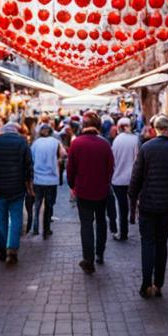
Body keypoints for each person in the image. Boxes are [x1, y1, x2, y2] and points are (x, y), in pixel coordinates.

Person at [129, 114, 168, 298]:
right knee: (162, 242)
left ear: (155, 129)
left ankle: (146, 283)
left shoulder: (147, 148)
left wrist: (133, 195)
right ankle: (159, 283)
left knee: (147, 242)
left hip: (148, 203)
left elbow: (137, 175)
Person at [67, 112, 114, 274]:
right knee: (101, 221)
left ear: (84, 126)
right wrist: (105, 183)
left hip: (83, 191)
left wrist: (73, 186)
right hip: (101, 190)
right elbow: (110, 169)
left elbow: (70, 169)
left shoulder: (76, 144)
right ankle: (99, 253)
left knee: (86, 224)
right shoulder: (105, 144)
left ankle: (88, 259)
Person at [0, 122, 32, 264]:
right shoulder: (22, 142)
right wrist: (28, 183)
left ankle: (2, 250)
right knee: (16, 218)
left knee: (0, 217)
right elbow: (29, 164)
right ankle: (13, 249)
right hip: (17, 187)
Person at [110, 117, 140, 241]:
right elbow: (138, 158)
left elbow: (112, 160)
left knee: (121, 207)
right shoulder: (135, 139)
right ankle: (133, 220)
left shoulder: (116, 140)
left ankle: (123, 232)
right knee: (135, 203)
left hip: (118, 179)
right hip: (132, 178)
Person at [30, 124, 63, 237]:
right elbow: (61, 156)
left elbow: (31, 159)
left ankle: (35, 228)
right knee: (49, 206)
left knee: (37, 204)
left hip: (38, 178)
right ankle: (46, 229)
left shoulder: (35, 143)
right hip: (51, 179)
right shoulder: (55, 142)